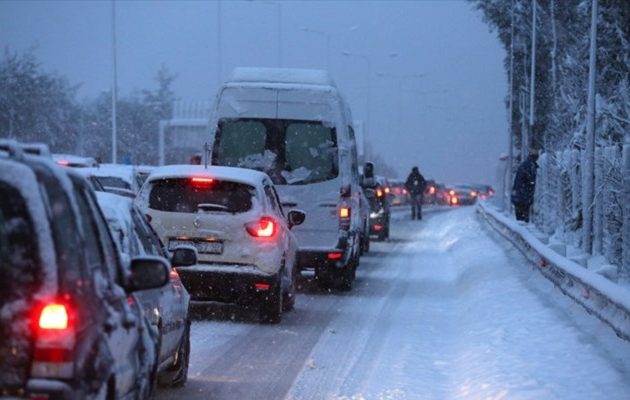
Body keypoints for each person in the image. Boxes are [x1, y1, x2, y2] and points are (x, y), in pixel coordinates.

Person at [511, 149, 539, 222]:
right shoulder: (530, 166)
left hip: (519, 196)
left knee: (520, 219)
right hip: (523, 198)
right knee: (523, 220)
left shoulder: (525, 165)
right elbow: (530, 182)